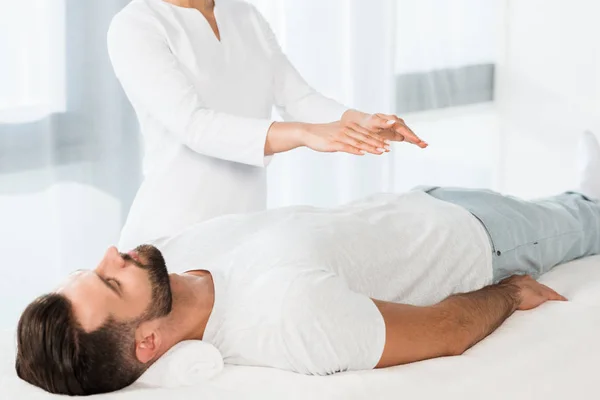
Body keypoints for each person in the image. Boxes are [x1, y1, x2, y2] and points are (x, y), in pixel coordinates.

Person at [15, 132, 600, 395]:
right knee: (589, 214)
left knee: (571, 199)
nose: (112, 254)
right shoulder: (287, 320)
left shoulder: (173, 259)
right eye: (112, 281)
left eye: (92, 268)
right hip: (487, 241)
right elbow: (443, 333)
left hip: (419, 203)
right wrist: (510, 292)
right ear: (146, 343)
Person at [107, 0, 428, 250]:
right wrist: (304, 133)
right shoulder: (136, 26)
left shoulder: (243, 14)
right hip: (170, 236)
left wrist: (360, 121)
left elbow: (298, 98)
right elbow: (194, 126)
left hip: (242, 230)